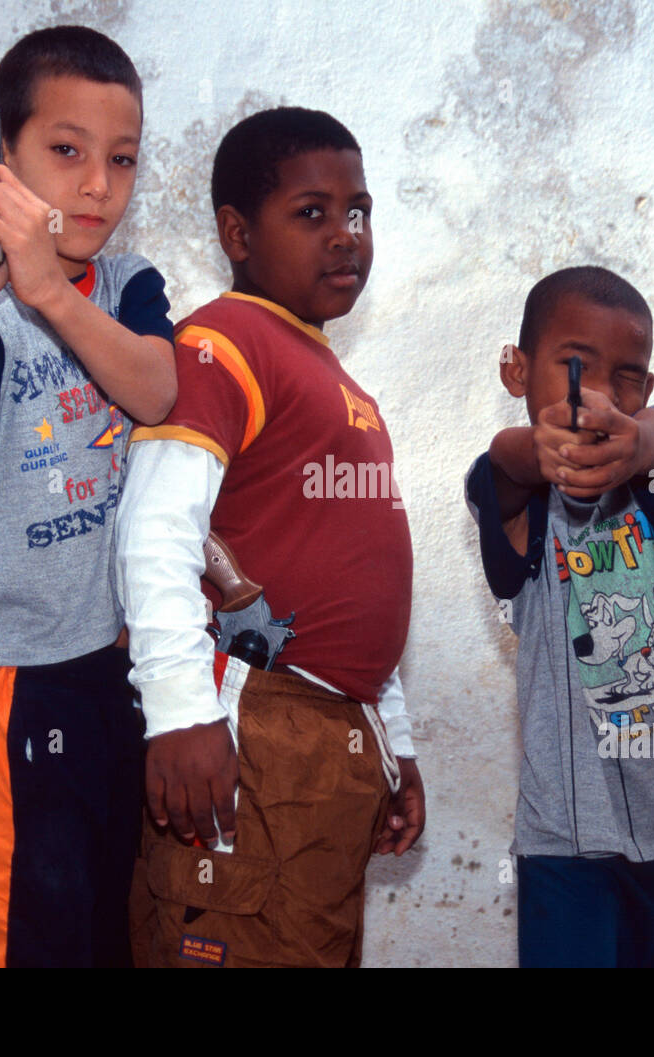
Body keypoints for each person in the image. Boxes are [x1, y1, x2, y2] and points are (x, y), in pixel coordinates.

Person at [0, 25, 176, 967]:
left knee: (105, 937)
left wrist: (53, 288)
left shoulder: (128, 288)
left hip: (120, 679)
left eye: (122, 158)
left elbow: (156, 390)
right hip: (15, 692)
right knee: (13, 944)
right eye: (65, 151)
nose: (98, 184)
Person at [115, 107, 425, 968]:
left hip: (334, 742)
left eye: (358, 211)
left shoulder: (339, 381)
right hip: (254, 732)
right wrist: (180, 710)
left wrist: (390, 742)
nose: (345, 235)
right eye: (312, 212)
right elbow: (156, 525)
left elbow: (363, 586)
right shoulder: (224, 342)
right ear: (237, 232)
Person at [465, 266, 654, 967]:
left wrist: (641, 440)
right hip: (570, 832)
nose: (597, 393)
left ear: (646, 390)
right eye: (574, 365)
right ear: (516, 370)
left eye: (626, 375)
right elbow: (501, 466)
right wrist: (531, 449)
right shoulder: (516, 498)